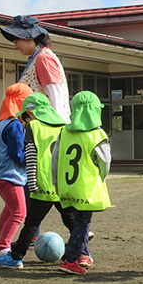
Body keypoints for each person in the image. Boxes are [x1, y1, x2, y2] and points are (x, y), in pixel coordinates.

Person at [0, 92, 74, 269]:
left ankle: (15, 257)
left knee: (31, 223)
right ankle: (81, 254)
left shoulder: (34, 127)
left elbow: (30, 156)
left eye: (25, 117)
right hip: (60, 184)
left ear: (31, 113)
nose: (24, 121)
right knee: (71, 220)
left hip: (42, 184)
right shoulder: (62, 127)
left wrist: (32, 182)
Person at [52, 91, 111, 274]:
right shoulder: (97, 134)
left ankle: (82, 254)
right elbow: (105, 161)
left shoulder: (64, 132)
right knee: (82, 224)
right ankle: (69, 259)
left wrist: (55, 181)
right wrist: (102, 177)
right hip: (86, 188)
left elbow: (54, 159)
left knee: (79, 221)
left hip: (67, 186)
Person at [0, 83, 32, 257]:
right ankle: (3, 248)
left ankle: (0, 240)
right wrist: (32, 158)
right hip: (9, 175)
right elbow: (17, 154)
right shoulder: (14, 125)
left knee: (9, 209)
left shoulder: (1, 124)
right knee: (20, 212)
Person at [0, 15, 71, 121]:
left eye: (16, 41)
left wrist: (56, 128)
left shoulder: (44, 58)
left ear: (29, 37)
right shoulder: (37, 58)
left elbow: (55, 95)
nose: (15, 46)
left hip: (48, 129)